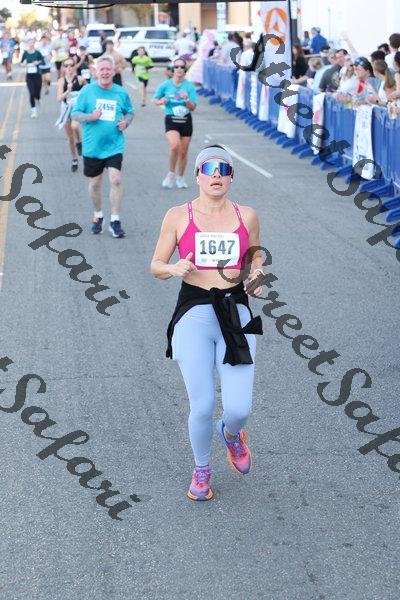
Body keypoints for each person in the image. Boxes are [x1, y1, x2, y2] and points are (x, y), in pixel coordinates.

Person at [150, 144, 264, 501]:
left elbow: (255, 254)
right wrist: (173, 268)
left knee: (239, 409)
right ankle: (201, 469)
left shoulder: (247, 215)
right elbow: (156, 265)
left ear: (231, 178)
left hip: (235, 312)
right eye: (209, 169)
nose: (216, 175)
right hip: (194, 312)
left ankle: (230, 434)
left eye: (224, 169)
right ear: (197, 176)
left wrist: (257, 274)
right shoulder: (177, 216)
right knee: (201, 405)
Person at [71, 55, 135, 238]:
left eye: (108, 69)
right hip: (93, 146)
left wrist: (126, 122)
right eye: (102, 69)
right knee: (95, 183)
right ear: (96, 72)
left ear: (114, 72)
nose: (105, 72)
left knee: (116, 179)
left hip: (114, 145)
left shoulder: (121, 92)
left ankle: (115, 220)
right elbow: (75, 114)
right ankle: (98, 215)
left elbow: (130, 112)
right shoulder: (87, 91)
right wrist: (90, 117)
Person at [153, 57, 197, 190]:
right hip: (171, 120)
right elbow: (155, 100)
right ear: (172, 69)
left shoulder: (189, 86)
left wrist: (187, 99)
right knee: (174, 145)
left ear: (185, 70)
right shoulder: (165, 85)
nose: (179, 69)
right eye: (176, 67)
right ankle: (171, 174)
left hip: (186, 120)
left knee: (183, 152)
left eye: (182, 67)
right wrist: (161, 101)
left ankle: (181, 177)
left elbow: (193, 107)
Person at [56, 58, 87, 172]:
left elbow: (89, 91)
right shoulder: (61, 81)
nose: (69, 67)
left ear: (74, 66)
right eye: (66, 65)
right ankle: (74, 159)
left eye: (71, 65)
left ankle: (79, 141)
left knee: (75, 126)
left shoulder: (80, 79)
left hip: (77, 109)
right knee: (70, 139)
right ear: (63, 68)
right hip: (66, 109)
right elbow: (59, 98)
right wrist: (68, 91)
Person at [20, 38, 45, 118]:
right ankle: (33, 111)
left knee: (37, 92)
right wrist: (23, 64)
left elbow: (43, 61)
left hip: (37, 75)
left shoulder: (37, 53)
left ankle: (38, 98)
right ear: (28, 44)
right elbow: (21, 62)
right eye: (30, 43)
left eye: (32, 43)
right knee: (31, 93)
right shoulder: (25, 53)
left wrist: (38, 62)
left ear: (34, 44)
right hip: (29, 76)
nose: (31, 44)